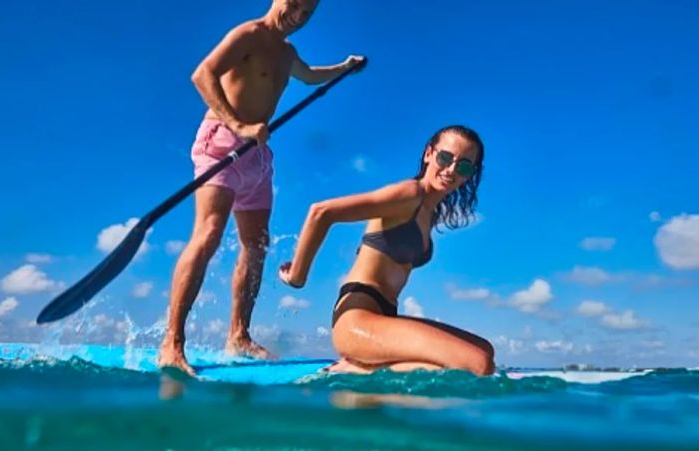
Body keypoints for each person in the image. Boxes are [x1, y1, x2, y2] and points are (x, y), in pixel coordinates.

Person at [159, 0, 365, 375]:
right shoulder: (249, 34)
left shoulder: (288, 53)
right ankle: (172, 343)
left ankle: (238, 334)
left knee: (256, 246)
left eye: (308, 13)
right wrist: (237, 125)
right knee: (207, 235)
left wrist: (344, 69)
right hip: (221, 143)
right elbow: (202, 74)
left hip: (256, 155)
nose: (299, 17)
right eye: (296, 5)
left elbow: (311, 76)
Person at [279, 125, 495, 376]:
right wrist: (297, 276)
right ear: (429, 154)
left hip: (384, 318)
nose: (451, 170)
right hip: (357, 318)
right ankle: (354, 369)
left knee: (484, 349)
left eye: (464, 166)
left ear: (470, 175)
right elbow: (322, 212)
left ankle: (366, 365)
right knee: (478, 364)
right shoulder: (409, 194)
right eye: (445, 158)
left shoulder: (429, 212)